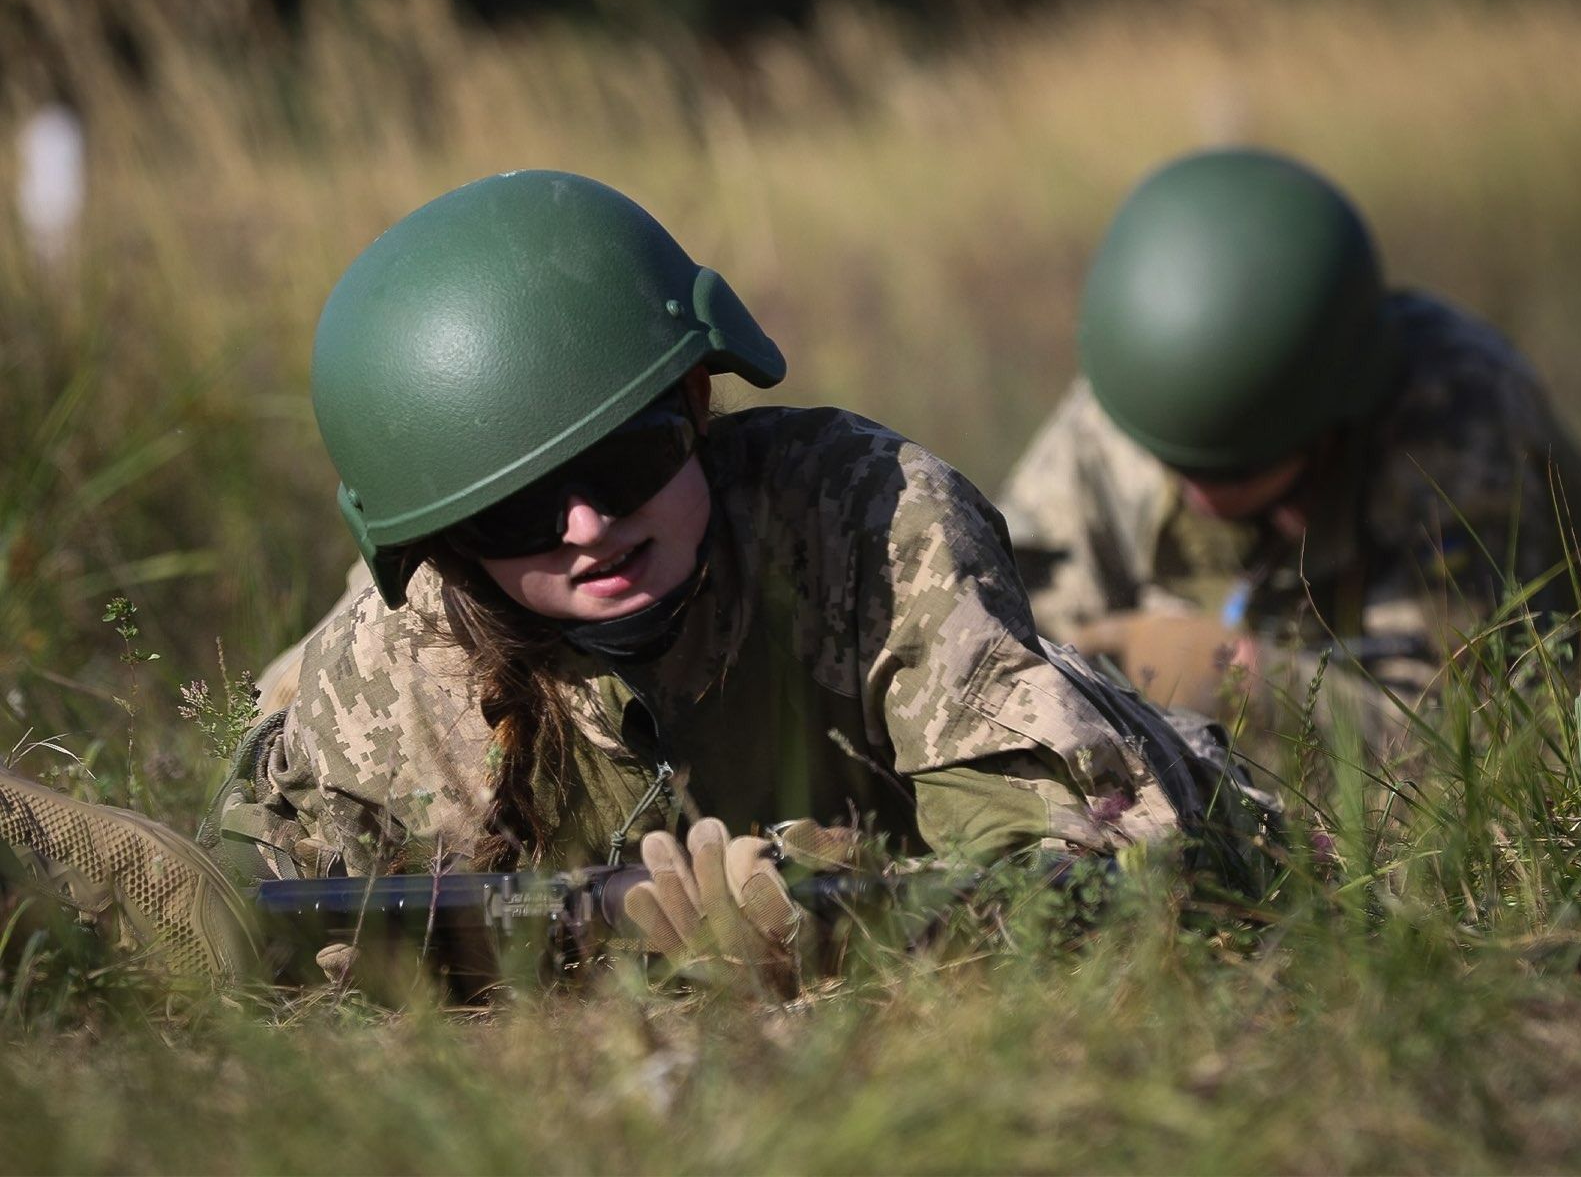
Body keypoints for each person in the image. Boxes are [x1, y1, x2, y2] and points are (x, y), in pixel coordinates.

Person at [2, 170, 1273, 989]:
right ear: (442, 543)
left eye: (625, 459)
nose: (585, 528)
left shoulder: (870, 524)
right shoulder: (397, 657)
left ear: (699, 405)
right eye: (511, 510)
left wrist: (822, 906)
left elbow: (1081, 871)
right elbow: (275, 914)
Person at [997, 147, 1581, 725]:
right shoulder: (1134, 397)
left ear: (1327, 422)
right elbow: (1015, 629)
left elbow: (1482, 737)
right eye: (1180, 466)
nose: (1203, 496)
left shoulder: (1457, 418)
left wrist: (1253, 684)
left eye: (1241, 469)